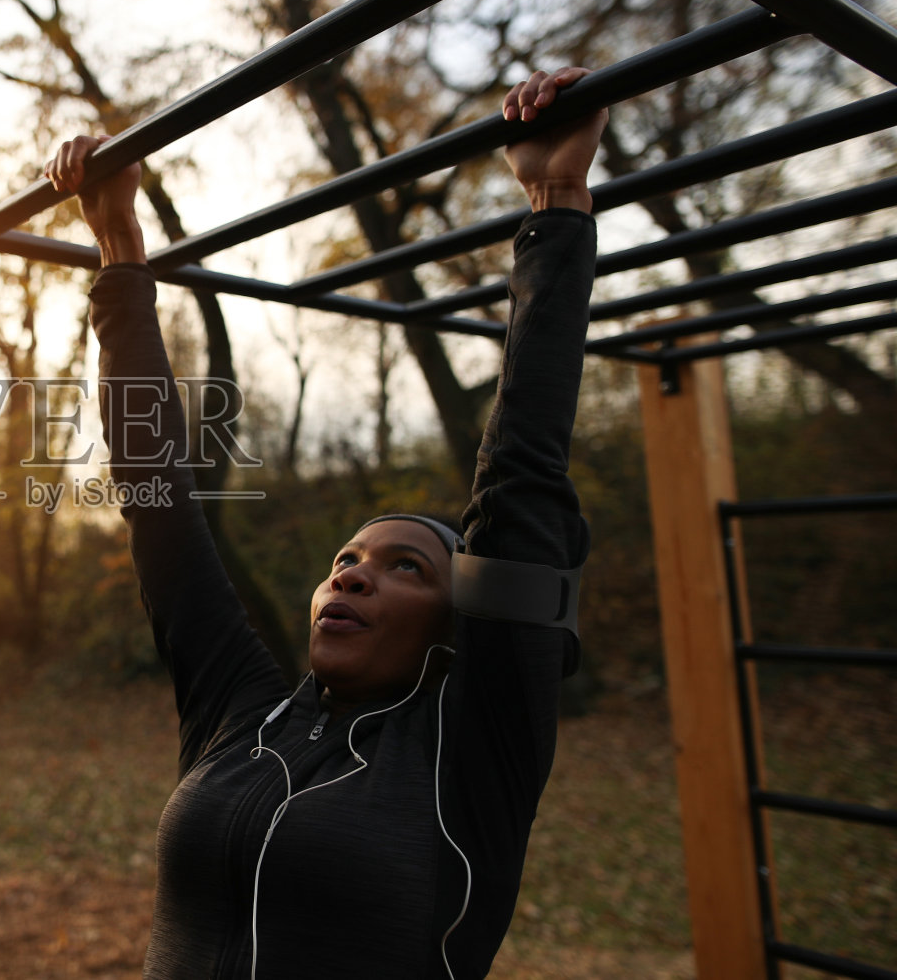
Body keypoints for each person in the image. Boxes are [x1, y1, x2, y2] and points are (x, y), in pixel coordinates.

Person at [44, 67, 607, 980]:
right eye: (347, 558)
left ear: (459, 625)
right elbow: (159, 504)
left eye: (406, 568)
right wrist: (117, 249)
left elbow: (521, 485)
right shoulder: (240, 713)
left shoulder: (469, 756)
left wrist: (555, 201)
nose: (353, 573)